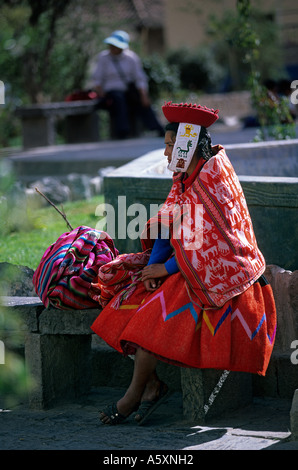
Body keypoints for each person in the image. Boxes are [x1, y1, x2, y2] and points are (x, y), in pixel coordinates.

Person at [90, 101, 277, 425]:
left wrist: (168, 269)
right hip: (187, 267)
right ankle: (150, 386)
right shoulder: (185, 176)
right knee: (125, 300)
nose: (165, 154)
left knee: (152, 320)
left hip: (227, 277)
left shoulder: (214, 177)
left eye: (169, 146)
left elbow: (216, 243)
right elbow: (168, 223)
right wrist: (154, 268)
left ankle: (133, 396)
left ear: (187, 144)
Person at [92, 30, 164, 139]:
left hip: (128, 90)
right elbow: (97, 78)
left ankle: (158, 129)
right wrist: (100, 92)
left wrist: (143, 95)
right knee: (119, 99)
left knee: (142, 103)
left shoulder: (131, 58)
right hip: (111, 92)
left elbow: (140, 78)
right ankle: (123, 132)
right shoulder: (103, 58)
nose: (112, 48)